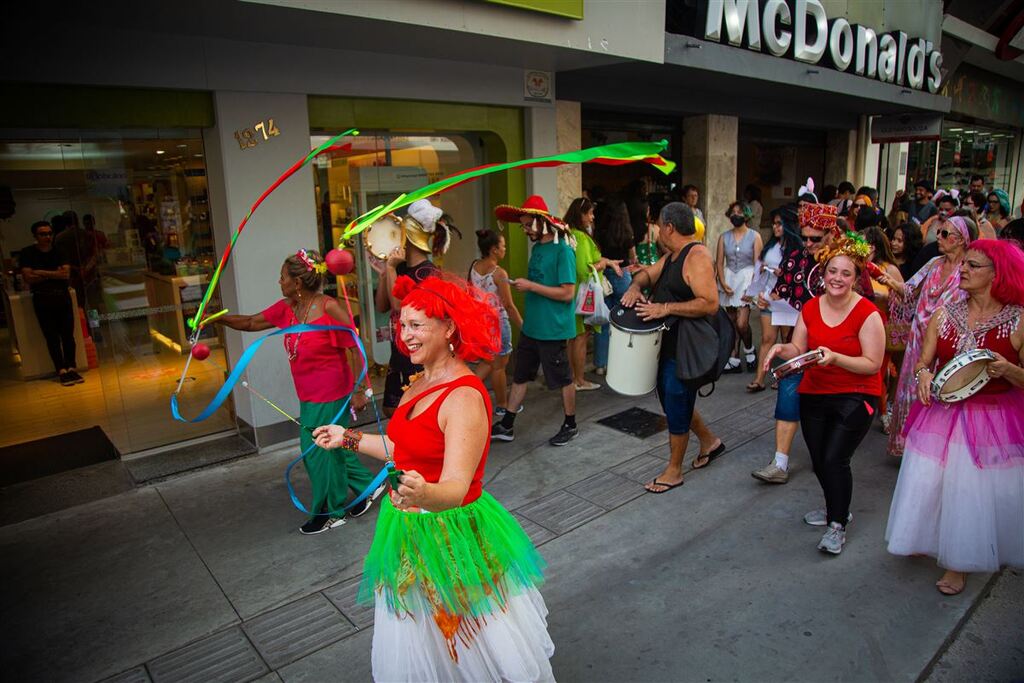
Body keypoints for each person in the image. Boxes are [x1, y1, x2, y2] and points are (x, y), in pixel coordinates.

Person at [313, 274, 554, 681]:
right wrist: (347, 438)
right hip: (409, 529)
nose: (404, 335)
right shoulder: (419, 381)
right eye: (402, 325)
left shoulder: (463, 396)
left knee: (469, 639)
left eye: (416, 325)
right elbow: (400, 448)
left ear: (450, 328)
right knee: (421, 638)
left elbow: (457, 489)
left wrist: (423, 492)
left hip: (451, 534)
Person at [886, 239, 1024, 595]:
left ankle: (959, 562)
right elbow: (922, 361)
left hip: (993, 416)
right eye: (964, 264)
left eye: (973, 266)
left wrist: (1008, 369)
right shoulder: (945, 313)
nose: (963, 269)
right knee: (928, 481)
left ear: (998, 274)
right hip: (942, 412)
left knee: (970, 489)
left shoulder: (1019, 320)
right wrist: (923, 376)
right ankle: (923, 536)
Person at [215, 249, 376, 535]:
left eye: (282, 277)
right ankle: (368, 487)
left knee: (316, 451)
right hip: (309, 394)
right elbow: (251, 322)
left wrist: (361, 389)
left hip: (332, 392)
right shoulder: (287, 308)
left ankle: (330, 512)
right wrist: (217, 319)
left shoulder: (329, 308)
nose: (279, 282)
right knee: (336, 449)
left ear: (297, 282)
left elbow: (357, 346)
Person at [763, 232, 885, 554]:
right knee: (819, 461)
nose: (838, 278)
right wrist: (780, 347)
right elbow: (798, 349)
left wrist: (835, 357)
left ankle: (837, 525)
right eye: (833, 271)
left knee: (834, 458)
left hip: (856, 395)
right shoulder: (811, 308)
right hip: (815, 392)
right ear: (823, 273)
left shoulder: (868, 313)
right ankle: (837, 507)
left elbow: (872, 365)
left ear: (856, 279)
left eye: (846, 273)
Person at [621, 202, 726, 493]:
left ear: (669, 227)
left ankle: (674, 470)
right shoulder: (672, 256)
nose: (656, 231)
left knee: (676, 400)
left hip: (685, 347)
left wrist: (664, 307)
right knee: (672, 399)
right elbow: (646, 275)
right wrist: (634, 287)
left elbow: (709, 303)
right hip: (668, 344)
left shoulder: (698, 256)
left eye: (658, 226)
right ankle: (709, 442)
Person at [750, 203, 831, 485]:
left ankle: (828, 459)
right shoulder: (795, 257)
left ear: (831, 235)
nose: (808, 243)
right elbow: (779, 290)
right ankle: (780, 462)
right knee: (788, 391)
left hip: (835, 348)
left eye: (815, 238)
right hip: (798, 341)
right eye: (805, 236)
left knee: (826, 404)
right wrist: (767, 299)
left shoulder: (844, 264)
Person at [491, 196, 579, 447]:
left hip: (553, 329)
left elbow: (567, 293)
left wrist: (531, 286)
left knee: (564, 379)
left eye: (529, 224)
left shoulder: (563, 250)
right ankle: (507, 425)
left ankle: (570, 425)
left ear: (542, 222)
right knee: (520, 376)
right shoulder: (538, 248)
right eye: (523, 225)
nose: (525, 229)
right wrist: (527, 286)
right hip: (533, 327)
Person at [886, 215, 973, 457]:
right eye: (940, 232)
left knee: (937, 391)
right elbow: (909, 289)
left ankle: (932, 444)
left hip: (948, 342)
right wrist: (885, 280)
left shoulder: (968, 269)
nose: (939, 238)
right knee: (914, 389)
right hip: (919, 338)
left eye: (946, 234)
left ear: (962, 240)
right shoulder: (934, 263)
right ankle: (909, 443)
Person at [375, 199, 453, 416]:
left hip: (419, 351)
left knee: (414, 410)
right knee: (391, 409)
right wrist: (384, 273)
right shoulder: (397, 268)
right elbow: (381, 306)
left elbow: (401, 307)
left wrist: (390, 269)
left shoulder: (428, 272)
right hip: (399, 350)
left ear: (407, 238)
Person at [564, 197, 621, 391]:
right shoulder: (580, 237)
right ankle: (578, 380)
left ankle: (573, 379)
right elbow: (584, 269)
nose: (592, 217)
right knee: (580, 337)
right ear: (580, 215)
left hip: (575, 294)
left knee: (575, 336)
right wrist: (602, 264)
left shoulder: (570, 234)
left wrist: (609, 261)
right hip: (584, 293)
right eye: (589, 213)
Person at [18, 220, 81, 386]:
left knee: (68, 335)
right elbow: (28, 277)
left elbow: (65, 275)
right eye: (42, 234)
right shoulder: (27, 253)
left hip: (62, 296)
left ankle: (72, 367)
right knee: (52, 337)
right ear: (35, 236)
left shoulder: (59, 250)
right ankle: (61, 369)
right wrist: (54, 273)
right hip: (42, 298)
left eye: (49, 233)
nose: (47, 237)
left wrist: (40, 272)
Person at [469, 229, 522, 416]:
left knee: (490, 362)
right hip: (497, 322)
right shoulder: (499, 273)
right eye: (503, 246)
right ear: (493, 249)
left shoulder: (474, 267)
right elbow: (508, 305)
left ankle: (468, 388)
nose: (505, 249)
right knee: (499, 366)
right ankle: (502, 404)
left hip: (481, 322)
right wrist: (522, 325)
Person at [744, 210, 799, 392]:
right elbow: (759, 271)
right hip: (767, 298)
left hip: (786, 301)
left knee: (786, 340)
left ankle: (783, 376)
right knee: (767, 338)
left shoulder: (797, 248)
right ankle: (759, 379)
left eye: (779, 223)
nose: (775, 227)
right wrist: (756, 290)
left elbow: (797, 276)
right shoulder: (770, 246)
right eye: (774, 223)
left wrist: (780, 273)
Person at [862, 227, 905, 432]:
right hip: (858, 324)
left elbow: (904, 296)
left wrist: (883, 297)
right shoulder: (856, 266)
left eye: (866, 245)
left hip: (881, 325)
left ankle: (883, 411)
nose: (861, 249)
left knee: (879, 371)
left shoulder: (889, 269)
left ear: (876, 247)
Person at [716, 201, 762, 373]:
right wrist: (722, 282)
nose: (736, 215)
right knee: (732, 321)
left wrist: (753, 289)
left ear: (747, 215)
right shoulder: (724, 237)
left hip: (746, 279)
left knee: (742, 323)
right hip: (729, 279)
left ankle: (749, 350)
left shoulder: (754, 236)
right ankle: (734, 358)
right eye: (733, 212)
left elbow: (759, 264)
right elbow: (719, 263)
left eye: (740, 212)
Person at [593, 198, 635, 376]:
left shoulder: (600, 232)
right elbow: (633, 258)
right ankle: (620, 361)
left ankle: (601, 365)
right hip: (622, 275)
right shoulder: (627, 232)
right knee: (623, 321)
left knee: (603, 321)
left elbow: (597, 253)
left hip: (604, 277)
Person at [630, 196, 660, 266]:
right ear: (646, 212)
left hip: (637, 269)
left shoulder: (629, 230)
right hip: (654, 268)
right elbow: (666, 249)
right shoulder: (655, 229)